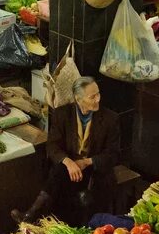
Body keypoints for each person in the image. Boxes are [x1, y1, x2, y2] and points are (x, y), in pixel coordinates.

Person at [12, 77, 121, 223]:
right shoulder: (62, 115)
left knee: (91, 189)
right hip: (69, 168)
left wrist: (87, 162)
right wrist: (69, 162)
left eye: (98, 94)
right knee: (58, 172)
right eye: (92, 97)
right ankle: (32, 215)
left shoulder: (110, 119)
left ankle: (84, 226)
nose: (97, 100)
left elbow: (113, 154)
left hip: (95, 170)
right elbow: (52, 146)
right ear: (78, 98)